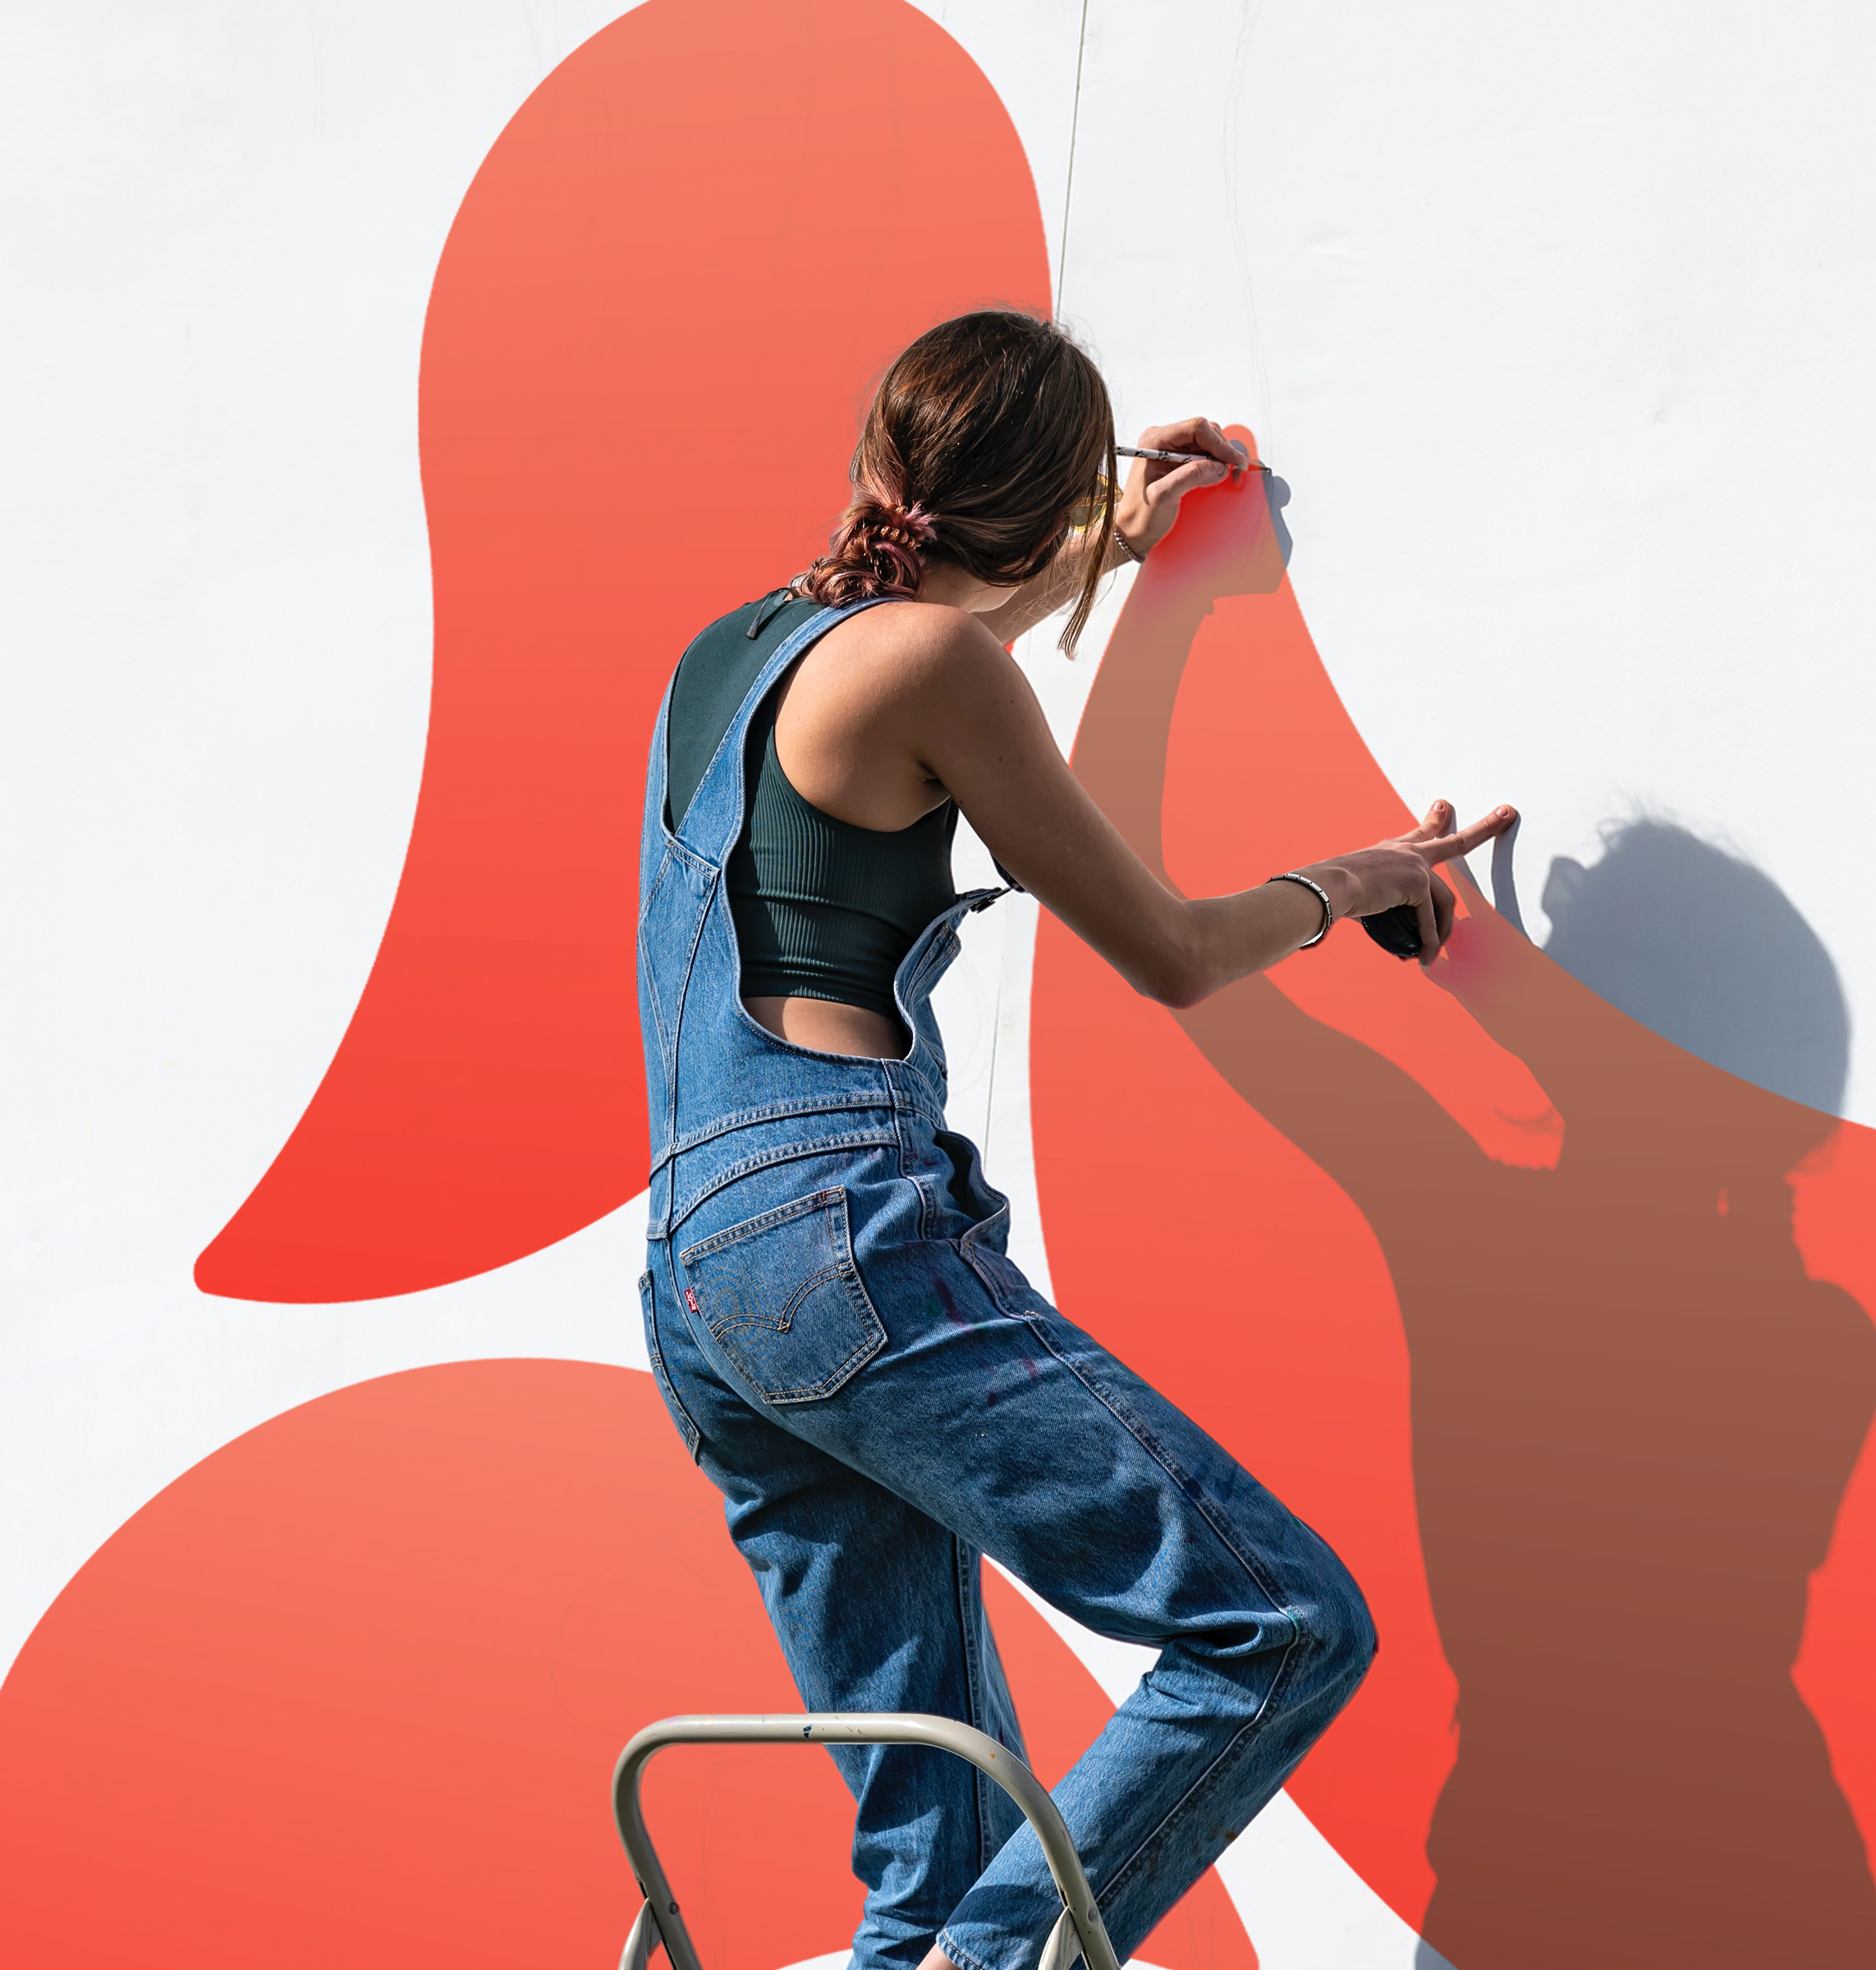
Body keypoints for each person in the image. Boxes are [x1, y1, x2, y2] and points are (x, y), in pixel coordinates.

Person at [635, 307, 1512, 1970]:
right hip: (843, 1230)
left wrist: (1098, 539)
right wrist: (1362, 883)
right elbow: (1173, 953)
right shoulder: (937, 670)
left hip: (703, 1281)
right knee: (1280, 1626)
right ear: (1036, 508)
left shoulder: (738, 654)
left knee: (931, 1841)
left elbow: (932, 648)